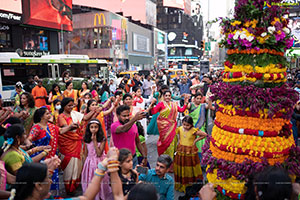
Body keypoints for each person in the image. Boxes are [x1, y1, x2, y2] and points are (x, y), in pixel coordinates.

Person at [150, 90, 188, 160]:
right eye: (166, 96)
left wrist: (185, 103)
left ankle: (170, 160)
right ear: (163, 97)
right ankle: (163, 159)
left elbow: (182, 110)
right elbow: (153, 111)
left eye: (169, 96)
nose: (167, 97)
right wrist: (152, 104)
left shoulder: (174, 104)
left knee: (172, 143)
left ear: (171, 97)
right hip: (163, 128)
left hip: (172, 127)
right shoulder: (161, 104)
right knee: (164, 143)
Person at [56, 97, 84, 194]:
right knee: (69, 166)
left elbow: (85, 118)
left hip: (76, 142)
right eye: (69, 105)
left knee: (77, 165)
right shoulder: (61, 116)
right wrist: (71, 126)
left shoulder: (74, 114)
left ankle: (75, 185)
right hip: (66, 145)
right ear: (64, 106)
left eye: (72, 105)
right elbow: (64, 127)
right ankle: (69, 188)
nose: (71, 107)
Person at [174, 116, 207, 192]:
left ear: (191, 124)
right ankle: (182, 185)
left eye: (187, 125)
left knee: (190, 167)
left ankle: (191, 185)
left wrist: (195, 141)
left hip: (190, 151)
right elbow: (177, 136)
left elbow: (204, 134)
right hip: (181, 150)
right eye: (184, 124)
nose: (185, 127)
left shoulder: (193, 130)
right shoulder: (180, 129)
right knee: (181, 166)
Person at [81, 119, 112, 200]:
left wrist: (94, 141)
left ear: (99, 128)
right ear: (89, 128)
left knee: (101, 182)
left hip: (99, 163)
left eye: (96, 127)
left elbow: (99, 153)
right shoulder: (86, 139)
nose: (94, 129)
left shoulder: (102, 139)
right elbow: (85, 153)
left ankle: (101, 196)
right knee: (90, 180)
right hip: (90, 162)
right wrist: (84, 165)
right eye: (91, 127)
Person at [188, 93, 214, 159]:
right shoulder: (191, 105)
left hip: (200, 128)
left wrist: (210, 100)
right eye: (197, 98)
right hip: (191, 128)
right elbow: (184, 107)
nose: (199, 100)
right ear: (194, 99)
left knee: (200, 145)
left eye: (200, 99)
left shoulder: (203, 106)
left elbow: (210, 107)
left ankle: (200, 160)